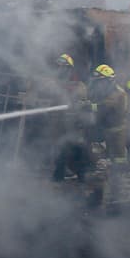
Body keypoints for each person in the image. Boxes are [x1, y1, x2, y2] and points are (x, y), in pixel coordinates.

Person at [45, 53, 91, 181]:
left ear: (69, 69)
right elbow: (47, 92)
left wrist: (78, 108)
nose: (59, 70)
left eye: (62, 67)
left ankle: (81, 175)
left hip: (74, 122)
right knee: (60, 147)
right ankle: (59, 173)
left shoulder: (79, 85)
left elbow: (82, 100)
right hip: (58, 123)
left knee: (78, 147)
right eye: (58, 67)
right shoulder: (54, 83)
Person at [88, 64, 128, 163]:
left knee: (119, 158)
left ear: (109, 80)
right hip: (105, 129)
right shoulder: (102, 92)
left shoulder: (119, 93)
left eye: (100, 81)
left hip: (117, 131)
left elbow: (105, 106)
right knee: (106, 157)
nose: (98, 84)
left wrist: (90, 106)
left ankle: (119, 175)